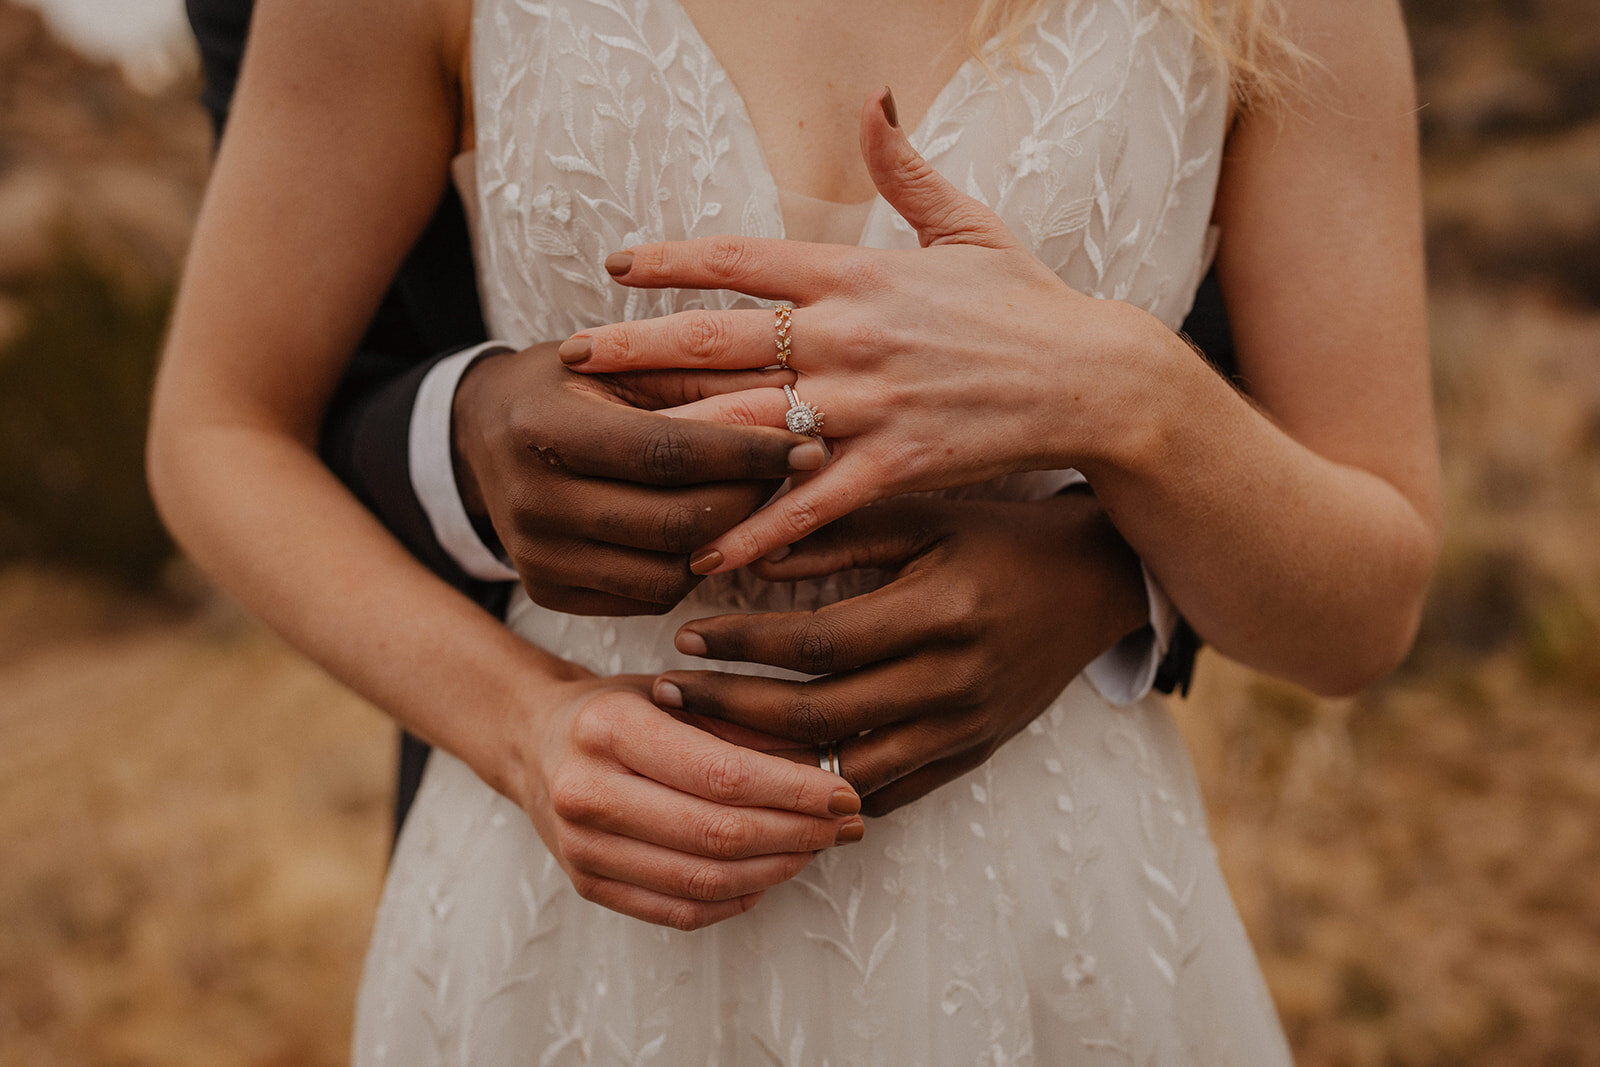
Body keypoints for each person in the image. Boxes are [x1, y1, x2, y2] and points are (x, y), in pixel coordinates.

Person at [149, 0, 1438, 1061]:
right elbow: (217, 430)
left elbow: (1362, 616)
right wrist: (521, 724)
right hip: (568, 901)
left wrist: (1133, 397)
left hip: (1051, 915)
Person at [184, 0, 1213, 840]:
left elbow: (1350, 535)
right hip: (575, 824)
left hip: (1050, 837)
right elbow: (225, 420)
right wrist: (522, 721)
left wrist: (1127, 492)